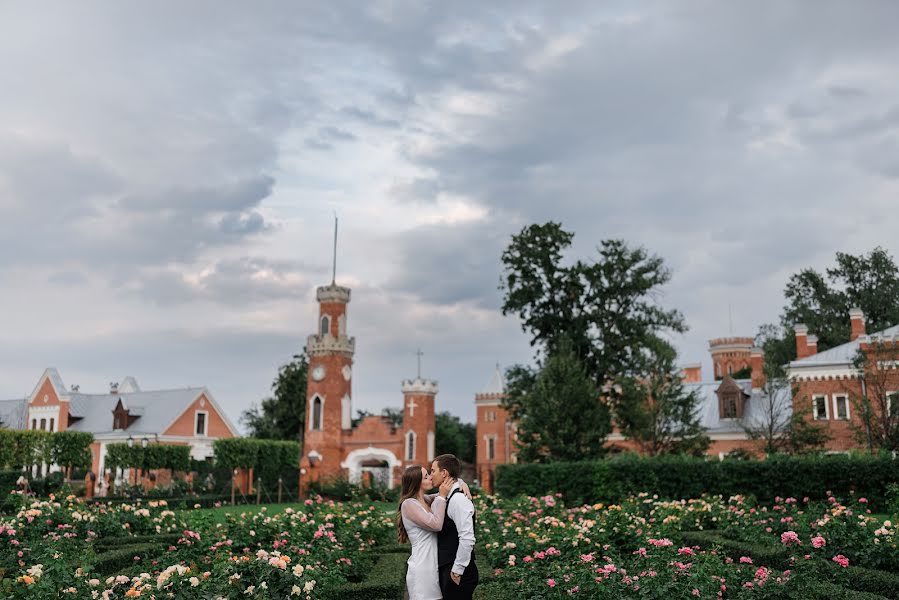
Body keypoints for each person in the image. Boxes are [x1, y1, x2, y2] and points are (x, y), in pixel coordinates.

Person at [397, 465, 455, 600]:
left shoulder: (426, 500)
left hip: (434, 565)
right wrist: (441, 497)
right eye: (426, 476)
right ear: (417, 482)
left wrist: (462, 484)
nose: (430, 477)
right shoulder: (409, 504)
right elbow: (436, 525)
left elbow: (448, 491)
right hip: (422, 568)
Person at [430, 454, 479, 600]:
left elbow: (467, 537)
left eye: (433, 471)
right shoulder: (447, 496)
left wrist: (457, 570)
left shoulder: (458, 500)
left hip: (457, 572)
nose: (431, 475)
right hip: (448, 567)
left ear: (444, 473)